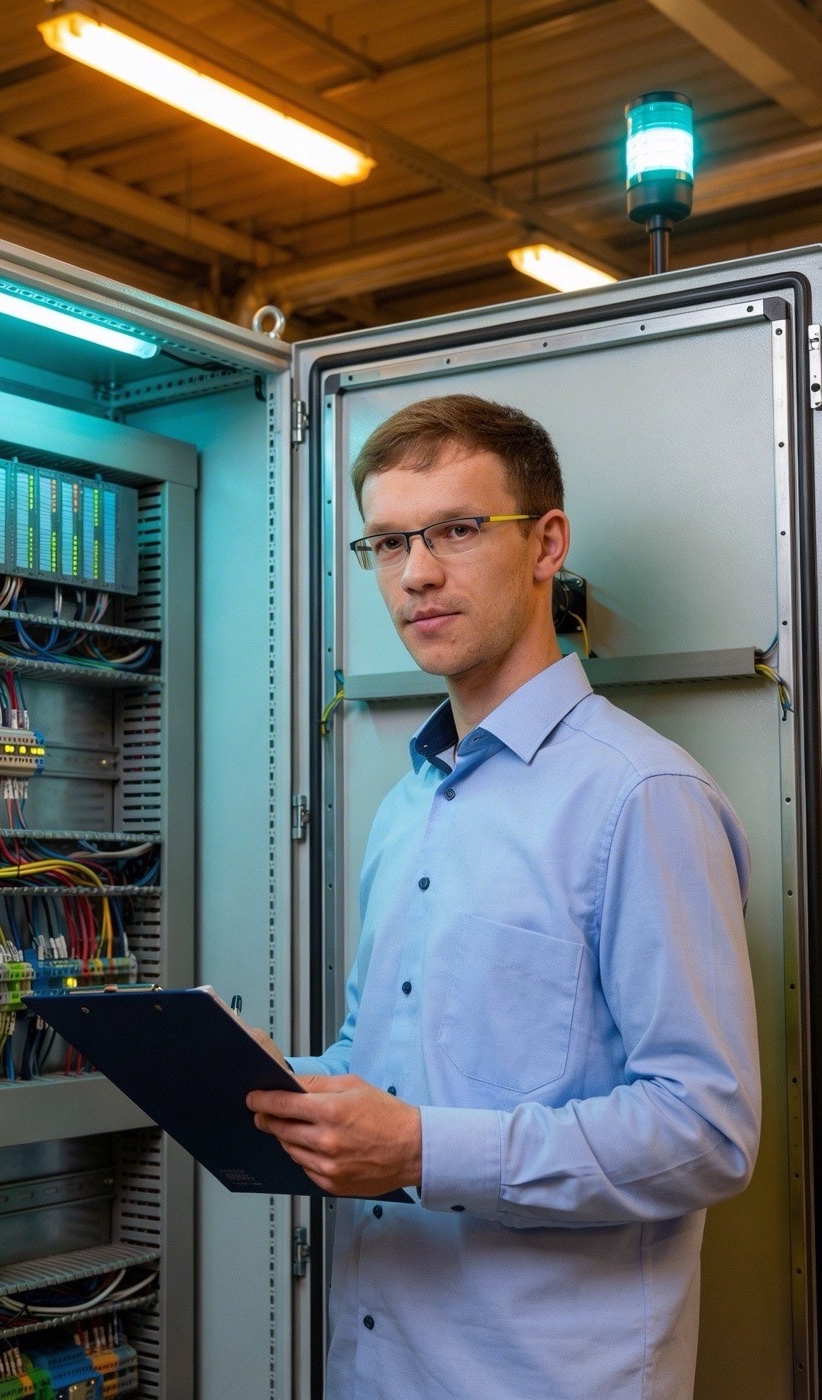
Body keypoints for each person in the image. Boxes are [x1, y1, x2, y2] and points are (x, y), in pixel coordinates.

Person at [247, 394, 761, 1400]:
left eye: (456, 529)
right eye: (389, 541)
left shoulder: (640, 795)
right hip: (375, 1362)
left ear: (546, 543)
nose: (417, 572)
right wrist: (280, 1085)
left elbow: (707, 1130)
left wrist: (425, 1148)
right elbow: (385, 1056)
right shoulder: (408, 804)